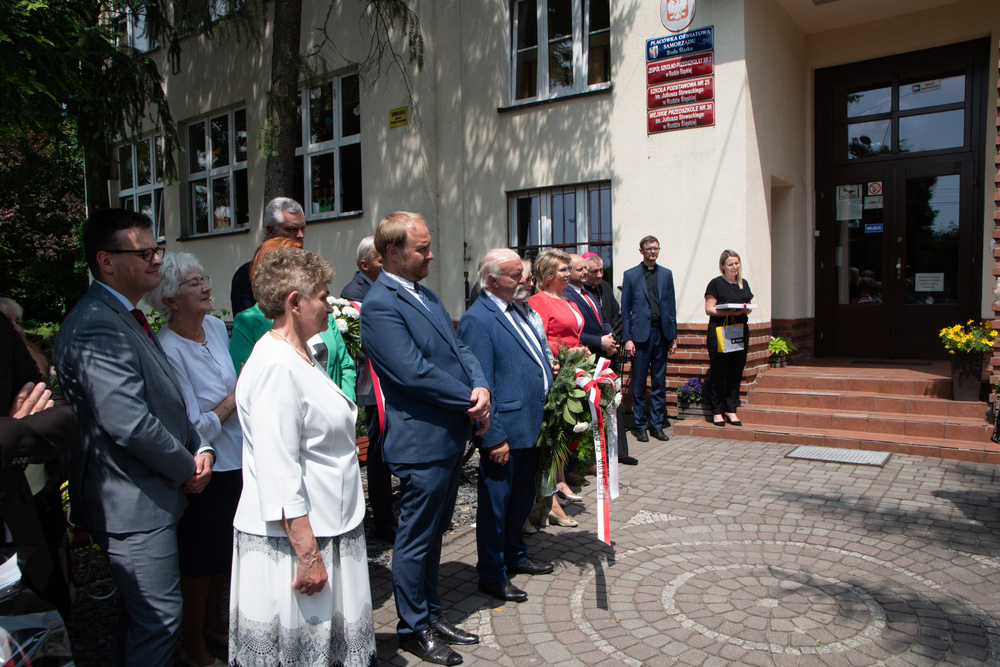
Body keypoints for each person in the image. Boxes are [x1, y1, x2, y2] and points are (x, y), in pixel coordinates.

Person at [53, 209, 215, 667]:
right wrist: (187, 466)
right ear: (106, 261)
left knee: (147, 619)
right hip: (132, 502)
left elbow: (166, 398)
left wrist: (198, 444)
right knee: (160, 621)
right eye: (143, 252)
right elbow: (128, 422)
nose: (155, 260)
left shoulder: (124, 315)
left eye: (156, 249)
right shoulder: (97, 325)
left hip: (150, 493)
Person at [230, 247, 376, 667]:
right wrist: (308, 555)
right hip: (297, 539)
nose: (330, 307)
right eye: (324, 297)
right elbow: (279, 466)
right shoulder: (276, 364)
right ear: (295, 302)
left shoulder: (300, 352)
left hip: (328, 521)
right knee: (300, 652)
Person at [361, 211, 489, 666]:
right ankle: (412, 627)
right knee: (415, 540)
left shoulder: (425, 293)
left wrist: (481, 386)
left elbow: (461, 347)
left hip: (449, 436)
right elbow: (412, 372)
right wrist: (468, 400)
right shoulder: (381, 305)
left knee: (435, 534)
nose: (431, 254)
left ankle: (430, 614)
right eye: (422, 248)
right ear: (392, 252)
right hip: (422, 442)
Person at [147, 253, 242, 667]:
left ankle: (212, 623)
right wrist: (231, 404)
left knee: (225, 550)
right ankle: (192, 644)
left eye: (204, 278)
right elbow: (192, 422)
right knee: (200, 559)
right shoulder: (166, 349)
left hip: (239, 456)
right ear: (169, 299)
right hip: (204, 466)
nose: (206, 286)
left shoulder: (217, 328)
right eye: (193, 283)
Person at [458, 249, 555, 604]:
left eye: (523, 274)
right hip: (504, 432)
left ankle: (515, 554)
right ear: (493, 279)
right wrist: (492, 434)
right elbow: (480, 383)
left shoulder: (515, 310)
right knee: (496, 508)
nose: (525, 280)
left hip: (530, 425)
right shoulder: (478, 319)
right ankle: (492, 573)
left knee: (521, 500)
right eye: (516, 275)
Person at [0, 314, 78, 619]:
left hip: (21, 543)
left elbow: (64, 420)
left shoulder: (2, 330)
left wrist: (7, 437)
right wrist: (14, 428)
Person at [230, 238, 356, 400]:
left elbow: (345, 365)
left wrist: (345, 407)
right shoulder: (272, 357)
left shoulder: (320, 316)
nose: (329, 308)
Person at [340, 235, 396, 544]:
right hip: (371, 388)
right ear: (365, 265)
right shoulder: (354, 294)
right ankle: (383, 521)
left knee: (385, 449)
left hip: (387, 383)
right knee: (377, 453)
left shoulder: (381, 286)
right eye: (380, 260)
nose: (386, 264)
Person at [527, 248, 585, 527]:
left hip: (572, 371)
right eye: (563, 270)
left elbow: (572, 334)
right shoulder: (538, 301)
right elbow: (541, 339)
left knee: (563, 436)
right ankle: (545, 500)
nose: (568, 273)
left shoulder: (569, 300)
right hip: (556, 374)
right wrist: (569, 354)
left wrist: (580, 350)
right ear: (549, 274)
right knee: (551, 438)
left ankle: (550, 495)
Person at [621, 235, 677, 444]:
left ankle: (657, 425)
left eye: (656, 248)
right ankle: (640, 426)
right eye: (649, 248)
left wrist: (673, 336)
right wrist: (627, 338)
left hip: (661, 334)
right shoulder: (631, 275)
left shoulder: (666, 274)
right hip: (640, 337)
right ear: (641, 251)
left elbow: (671, 307)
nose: (653, 252)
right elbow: (625, 310)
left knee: (659, 382)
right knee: (639, 383)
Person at [584, 254, 637, 466]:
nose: (599, 275)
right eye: (594, 272)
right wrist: (601, 342)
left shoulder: (604, 287)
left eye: (601, 271)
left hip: (610, 353)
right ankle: (595, 456)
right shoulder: (578, 292)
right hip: (591, 355)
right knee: (593, 404)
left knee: (614, 401)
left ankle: (619, 451)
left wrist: (613, 341)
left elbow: (615, 316)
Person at [229, 197, 306, 316]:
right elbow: (249, 324)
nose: (300, 235)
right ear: (271, 231)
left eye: (303, 228)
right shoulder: (248, 275)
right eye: (291, 229)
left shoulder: (308, 267)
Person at [704, 249, 754, 427]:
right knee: (718, 372)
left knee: (735, 372)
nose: (735, 267)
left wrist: (744, 309)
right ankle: (717, 412)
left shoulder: (743, 283)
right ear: (722, 267)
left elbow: (747, 306)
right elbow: (709, 308)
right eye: (731, 264)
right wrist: (727, 311)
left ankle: (731, 411)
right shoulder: (716, 284)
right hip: (720, 330)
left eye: (737, 263)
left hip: (739, 330)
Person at [563, 253, 617, 357]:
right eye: (580, 269)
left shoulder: (589, 294)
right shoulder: (565, 296)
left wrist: (611, 340)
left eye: (585, 268)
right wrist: (599, 341)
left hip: (604, 354)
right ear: (568, 272)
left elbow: (603, 320)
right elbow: (572, 332)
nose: (585, 272)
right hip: (585, 356)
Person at [340, 235, 383, 301]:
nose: (388, 265)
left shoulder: (387, 284)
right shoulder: (353, 293)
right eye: (381, 261)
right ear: (365, 266)